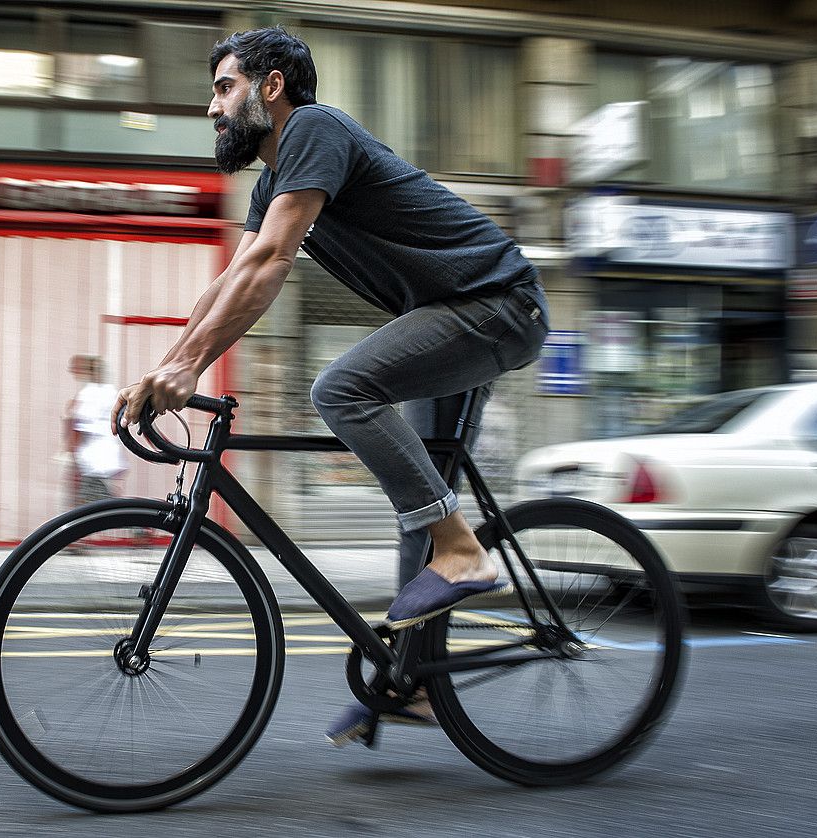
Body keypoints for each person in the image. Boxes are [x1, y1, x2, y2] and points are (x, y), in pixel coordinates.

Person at [112, 26, 550, 747]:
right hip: (447, 314)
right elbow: (230, 279)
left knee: (341, 389)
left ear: (271, 86)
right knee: (422, 499)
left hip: (497, 303)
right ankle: (415, 687)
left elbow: (272, 262)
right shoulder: (273, 179)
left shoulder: (313, 129)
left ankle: (466, 553)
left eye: (224, 88)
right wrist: (169, 365)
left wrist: (188, 371)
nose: (213, 108)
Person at [67, 354, 125, 506]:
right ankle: (139, 525)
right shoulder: (113, 393)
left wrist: (73, 457)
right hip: (110, 459)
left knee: (87, 512)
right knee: (105, 506)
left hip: (91, 462)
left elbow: (79, 429)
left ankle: (140, 527)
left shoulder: (87, 394)